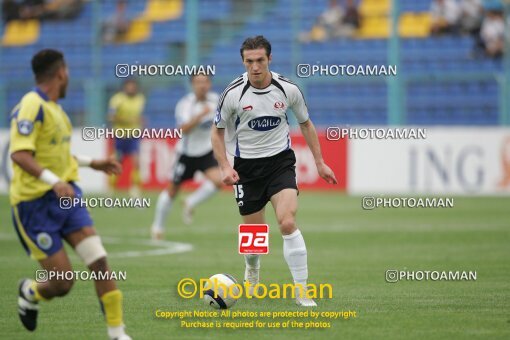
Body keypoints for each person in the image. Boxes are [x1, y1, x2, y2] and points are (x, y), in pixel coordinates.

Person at [9, 49, 131, 339]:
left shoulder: (57, 111)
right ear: (61, 72)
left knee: (99, 261)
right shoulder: (31, 105)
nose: (69, 77)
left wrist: (93, 163)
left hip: (68, 200)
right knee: (63, 283)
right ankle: (31, 291)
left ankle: (118, 334)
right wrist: (53, 181)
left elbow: (58, 155)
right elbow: (20, 154)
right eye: (68, 72)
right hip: (34, 206)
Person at [211, 36, 337, 307]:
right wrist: (224, 166)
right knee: (255, 237)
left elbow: (306, 124)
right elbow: (217, 132)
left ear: (269, 59)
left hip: (280, 163)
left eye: (260, 60)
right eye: (249, 61)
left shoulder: (288, 89)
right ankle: (253, 269)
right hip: (246, 169)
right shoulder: (233, 93)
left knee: (287, 222)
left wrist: (319, 162)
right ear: (243, 62)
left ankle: (302, 291)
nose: (255, 67)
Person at [151, 74, 223, 240]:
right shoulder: (185, 104)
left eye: (205, 82)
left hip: (206, 151)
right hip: (186, 153)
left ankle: (191, 202)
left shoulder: (216, 100)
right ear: (192, 84)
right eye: (198, 82)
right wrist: (199, 116)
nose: (202, 85)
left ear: (210, 83)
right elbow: (182, 130)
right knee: (172, 190)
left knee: (219, 181)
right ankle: (158, 226)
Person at [108, 78, 145, 197]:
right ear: (125, 87)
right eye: (129, 86)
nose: (131, 88)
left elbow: (140, 117)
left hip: (133, 135)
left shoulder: (140, 99)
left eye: (133, 86)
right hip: (120, 135)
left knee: (136, 162)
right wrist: (129, 120)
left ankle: (135, 189)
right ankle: (112, 190)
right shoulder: (117, 99)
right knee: (117, 163)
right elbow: (111, 117)